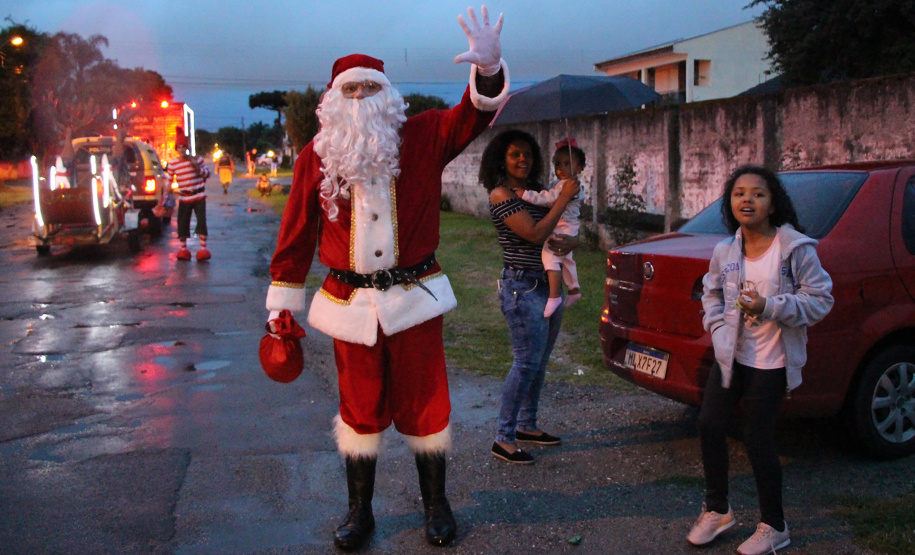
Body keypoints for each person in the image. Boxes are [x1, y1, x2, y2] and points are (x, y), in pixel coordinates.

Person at [264, 6, 509, 550]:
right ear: (332, 101)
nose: (359, 101)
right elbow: (297, 231)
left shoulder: (422, 137)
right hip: (350, 305)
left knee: (427, 403)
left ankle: (437, 505)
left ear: (388, 96)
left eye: (369, 89)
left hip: (414, 297)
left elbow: (471, 115)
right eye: (349, 92)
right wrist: (282, 300)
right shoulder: (316, 157)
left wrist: (488, 72)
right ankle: (360, 513)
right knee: (358, 409)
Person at [687, 165, 833, 555]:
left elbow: (821, 299)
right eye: (738, 193)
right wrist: (717, 331)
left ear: (772, 204)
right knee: (709, 423)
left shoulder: (794, 249)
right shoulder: (725, 250)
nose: (747, 200)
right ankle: (718, 510)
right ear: (729, 202)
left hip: (772, 359)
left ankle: (774, 525)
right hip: (732, 355)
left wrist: (770, 305)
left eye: (757, 194)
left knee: (756, 438)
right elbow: (711, 293)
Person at [478, 129, 580, 465]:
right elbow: (536, 234)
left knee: (539, 363)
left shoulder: (539, 193)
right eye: (514, 154)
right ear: (501, 160)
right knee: (525, 363)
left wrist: (572, 242)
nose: (523, 159)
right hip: (522, 288)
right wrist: (564, 198)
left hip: (548, 283)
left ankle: (527, 425)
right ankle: (503, 438)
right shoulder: (500, 194)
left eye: (528, 154)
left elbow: (560, 228)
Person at [520, 137, 584, 317]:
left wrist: (526, 195)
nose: (561, 168)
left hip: (562, 227)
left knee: (550, 257)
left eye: (567, 163)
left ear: (579, 168)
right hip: (571, 227)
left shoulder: (566, 186)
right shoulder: (575, 185)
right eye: (557, 164)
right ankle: (574, 289)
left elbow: (548, 199)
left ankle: (554, 296)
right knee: (566, 259)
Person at [166, 129, 212, 261]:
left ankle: (203, 249)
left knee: (201, 221)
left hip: (199, 196)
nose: (181, 149)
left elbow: (207, 174)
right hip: (184, 197)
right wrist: (165, 192)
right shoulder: (173, 164)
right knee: (182, 222)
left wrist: (197, 168)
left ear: (187, 147)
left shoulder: (197, 159)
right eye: (179, 147)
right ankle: (183, 249)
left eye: (183, 147)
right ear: (176, 149)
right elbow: (168, 181)